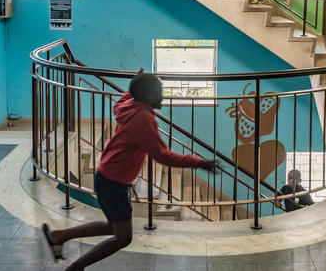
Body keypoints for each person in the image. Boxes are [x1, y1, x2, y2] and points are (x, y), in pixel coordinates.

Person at [41, 70, 217, 271]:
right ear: (148, 96)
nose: (163, 96)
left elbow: (119, 104)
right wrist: (199, 163)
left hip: (108, 176)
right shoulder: (144, 119)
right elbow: (162, 155)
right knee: (123, 238)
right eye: (160, 92)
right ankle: (75, 267)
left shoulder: (130, 106)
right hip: (113, 183)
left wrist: (131, 89)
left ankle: (59, 236)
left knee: (113, 226)